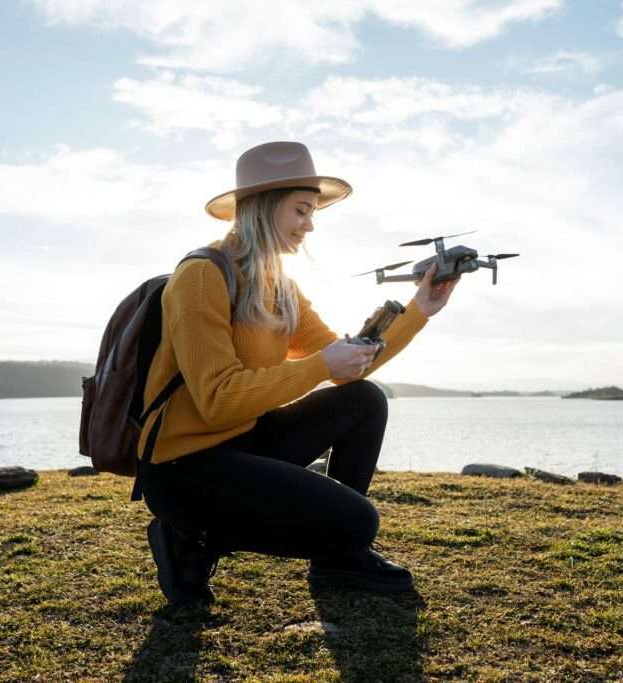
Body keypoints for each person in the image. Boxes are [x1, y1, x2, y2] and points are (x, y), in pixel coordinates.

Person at [137, 141, 458, 607]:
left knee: (364, 399)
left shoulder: (279, 285)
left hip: (243, 439)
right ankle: (188, 535)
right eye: (301, 211)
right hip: (184, 466)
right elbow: (216, 398)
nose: (309, 225)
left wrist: (419, 309)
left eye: (312, 214)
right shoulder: (202, 276)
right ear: (265, 209)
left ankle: (337, 561)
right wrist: (318, 367)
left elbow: (347, 365)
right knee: (357, 522)